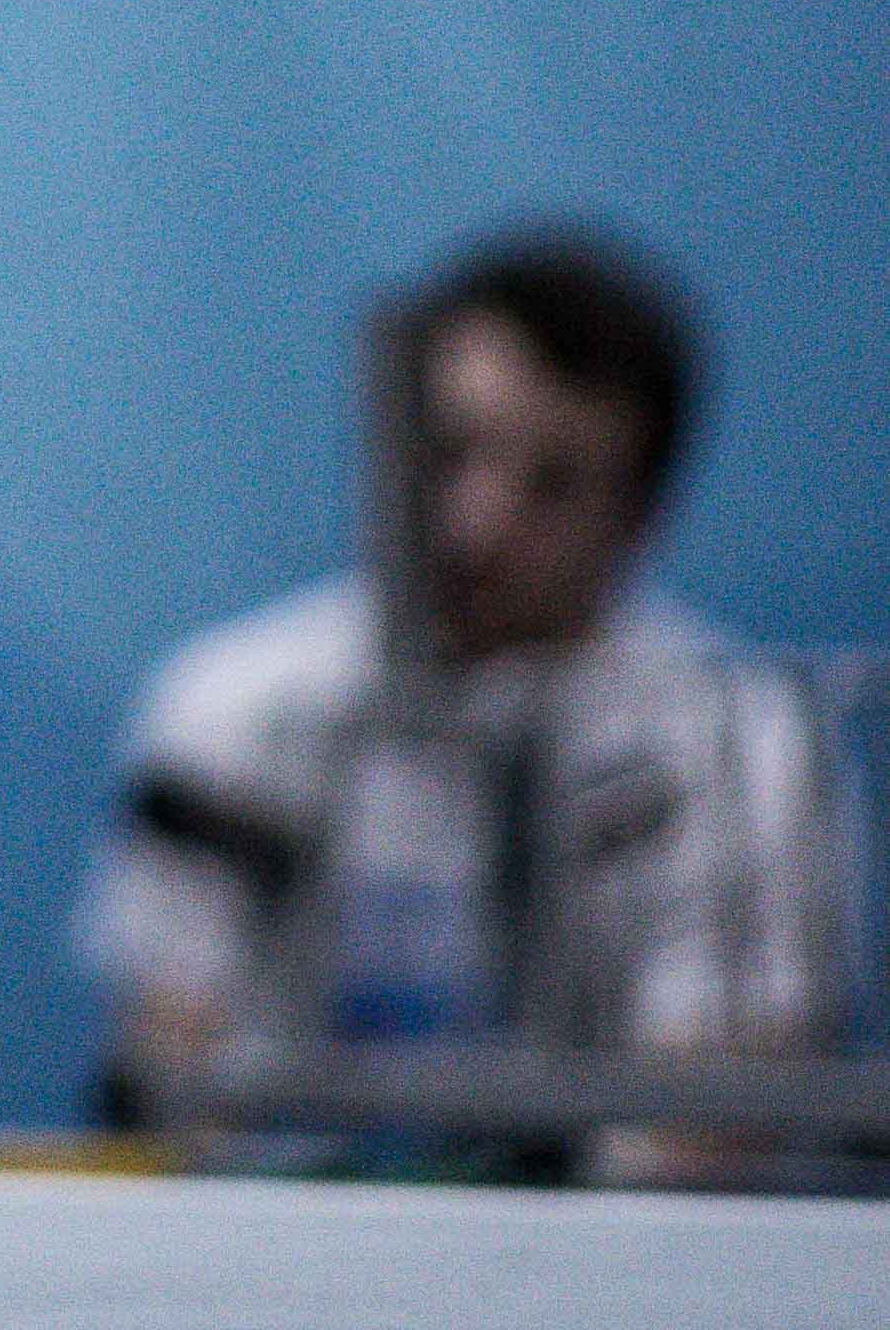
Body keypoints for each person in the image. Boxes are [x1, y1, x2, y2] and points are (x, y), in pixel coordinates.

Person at [81, 232, 851, 1121]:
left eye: (553, 483)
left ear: (642, 511)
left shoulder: (744, 741)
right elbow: (169, 1055)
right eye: (451, 452)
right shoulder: (231, 706)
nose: (478, 521)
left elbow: (725, 1096)